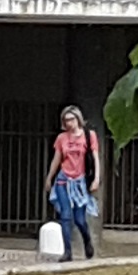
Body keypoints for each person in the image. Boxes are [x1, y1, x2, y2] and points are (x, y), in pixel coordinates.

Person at [46, 105, 99, 260]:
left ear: (78, 119)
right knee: (65, 216)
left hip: (80, 182)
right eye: (66, 120)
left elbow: (95, 159)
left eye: (71, 119)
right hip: (63, 179)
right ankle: (67, 251)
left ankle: (87, 240)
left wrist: (96, 179)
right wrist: (49, 177)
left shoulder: (89, 136)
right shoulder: (61, 138)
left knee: (80, 220)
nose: (69, 123)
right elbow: (57, 159)